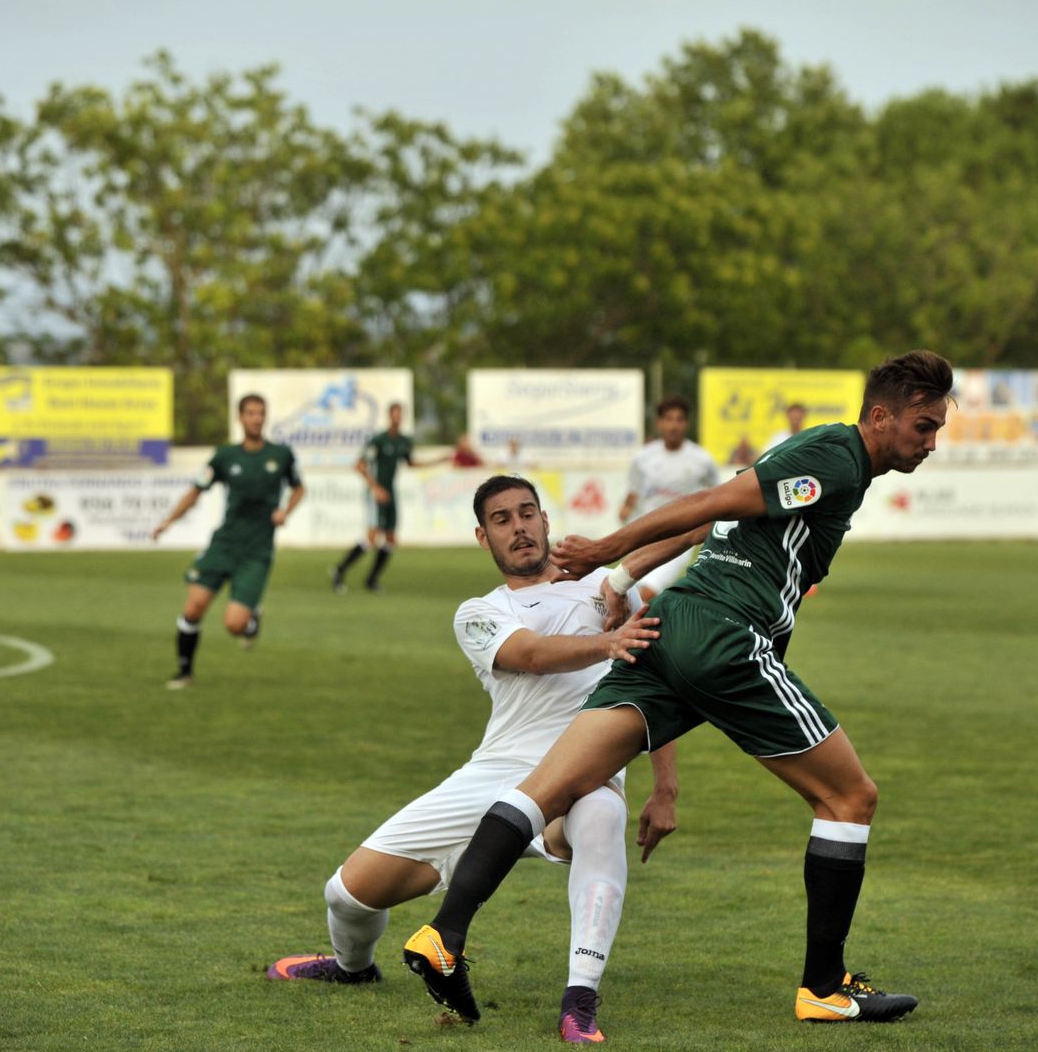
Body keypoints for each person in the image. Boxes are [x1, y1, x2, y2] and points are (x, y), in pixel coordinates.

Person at [402, 350, 955, 1027]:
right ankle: (823, 985)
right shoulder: (838, 453)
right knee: (850, 795)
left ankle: (444, 933)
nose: (931, 441)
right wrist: (608, 549)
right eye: (924, 425)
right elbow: (714, 501)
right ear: (879, 415)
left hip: (673, 627)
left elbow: (720, 514)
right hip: (725, 636)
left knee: (546, 787)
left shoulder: (835, 461)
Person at [270, 474, 684, 1043]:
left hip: (583, 768)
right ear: (482, 537)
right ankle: (353, 968)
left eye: (527, 513)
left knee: (602, 819)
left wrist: (665, 788)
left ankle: (580, 999)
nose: (519, 528)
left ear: (546, 521)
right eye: (502, 520)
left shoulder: (608, 589)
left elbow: (655, 681)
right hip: (497, 770)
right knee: (347, 893)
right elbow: (532, 655)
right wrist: (604, 643)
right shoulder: (478, 612)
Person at [152, 393, 303, 689]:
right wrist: (168, 521)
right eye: (250, 413)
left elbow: (299, 488)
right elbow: (196, 491)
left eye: (261, 413)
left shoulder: (281, 455)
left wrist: (285, 511)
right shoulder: (224, 456)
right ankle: (184, 672)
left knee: (234, 625)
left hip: (256, 551)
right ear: (240, 418)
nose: (256, 419)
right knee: (193, 607)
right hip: (224, 544)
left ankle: (251, 619)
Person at [617, 395, 721, 602]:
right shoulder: (643, 457)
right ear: (659, 423)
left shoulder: (702, 459)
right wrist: (626, 510)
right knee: (626, 591)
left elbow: (717, 494)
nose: (674, 425)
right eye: (668, 419)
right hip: (646, 534)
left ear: (686, 423)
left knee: (646, 593)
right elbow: (633, 491)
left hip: (679, 536)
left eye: (679, 419)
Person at [330, 402, 435, 594]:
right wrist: (375, 488)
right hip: (375, 493)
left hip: (390, 492)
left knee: (391, 538)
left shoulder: (403, 441)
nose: (397, 417)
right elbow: (359, 465)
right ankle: (339, 570)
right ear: (389, 416)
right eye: (394, 414)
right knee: (372, 537)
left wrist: (438, 460)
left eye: (400, 414)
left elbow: (411, 463)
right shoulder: (378, 440)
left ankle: (371, 580)